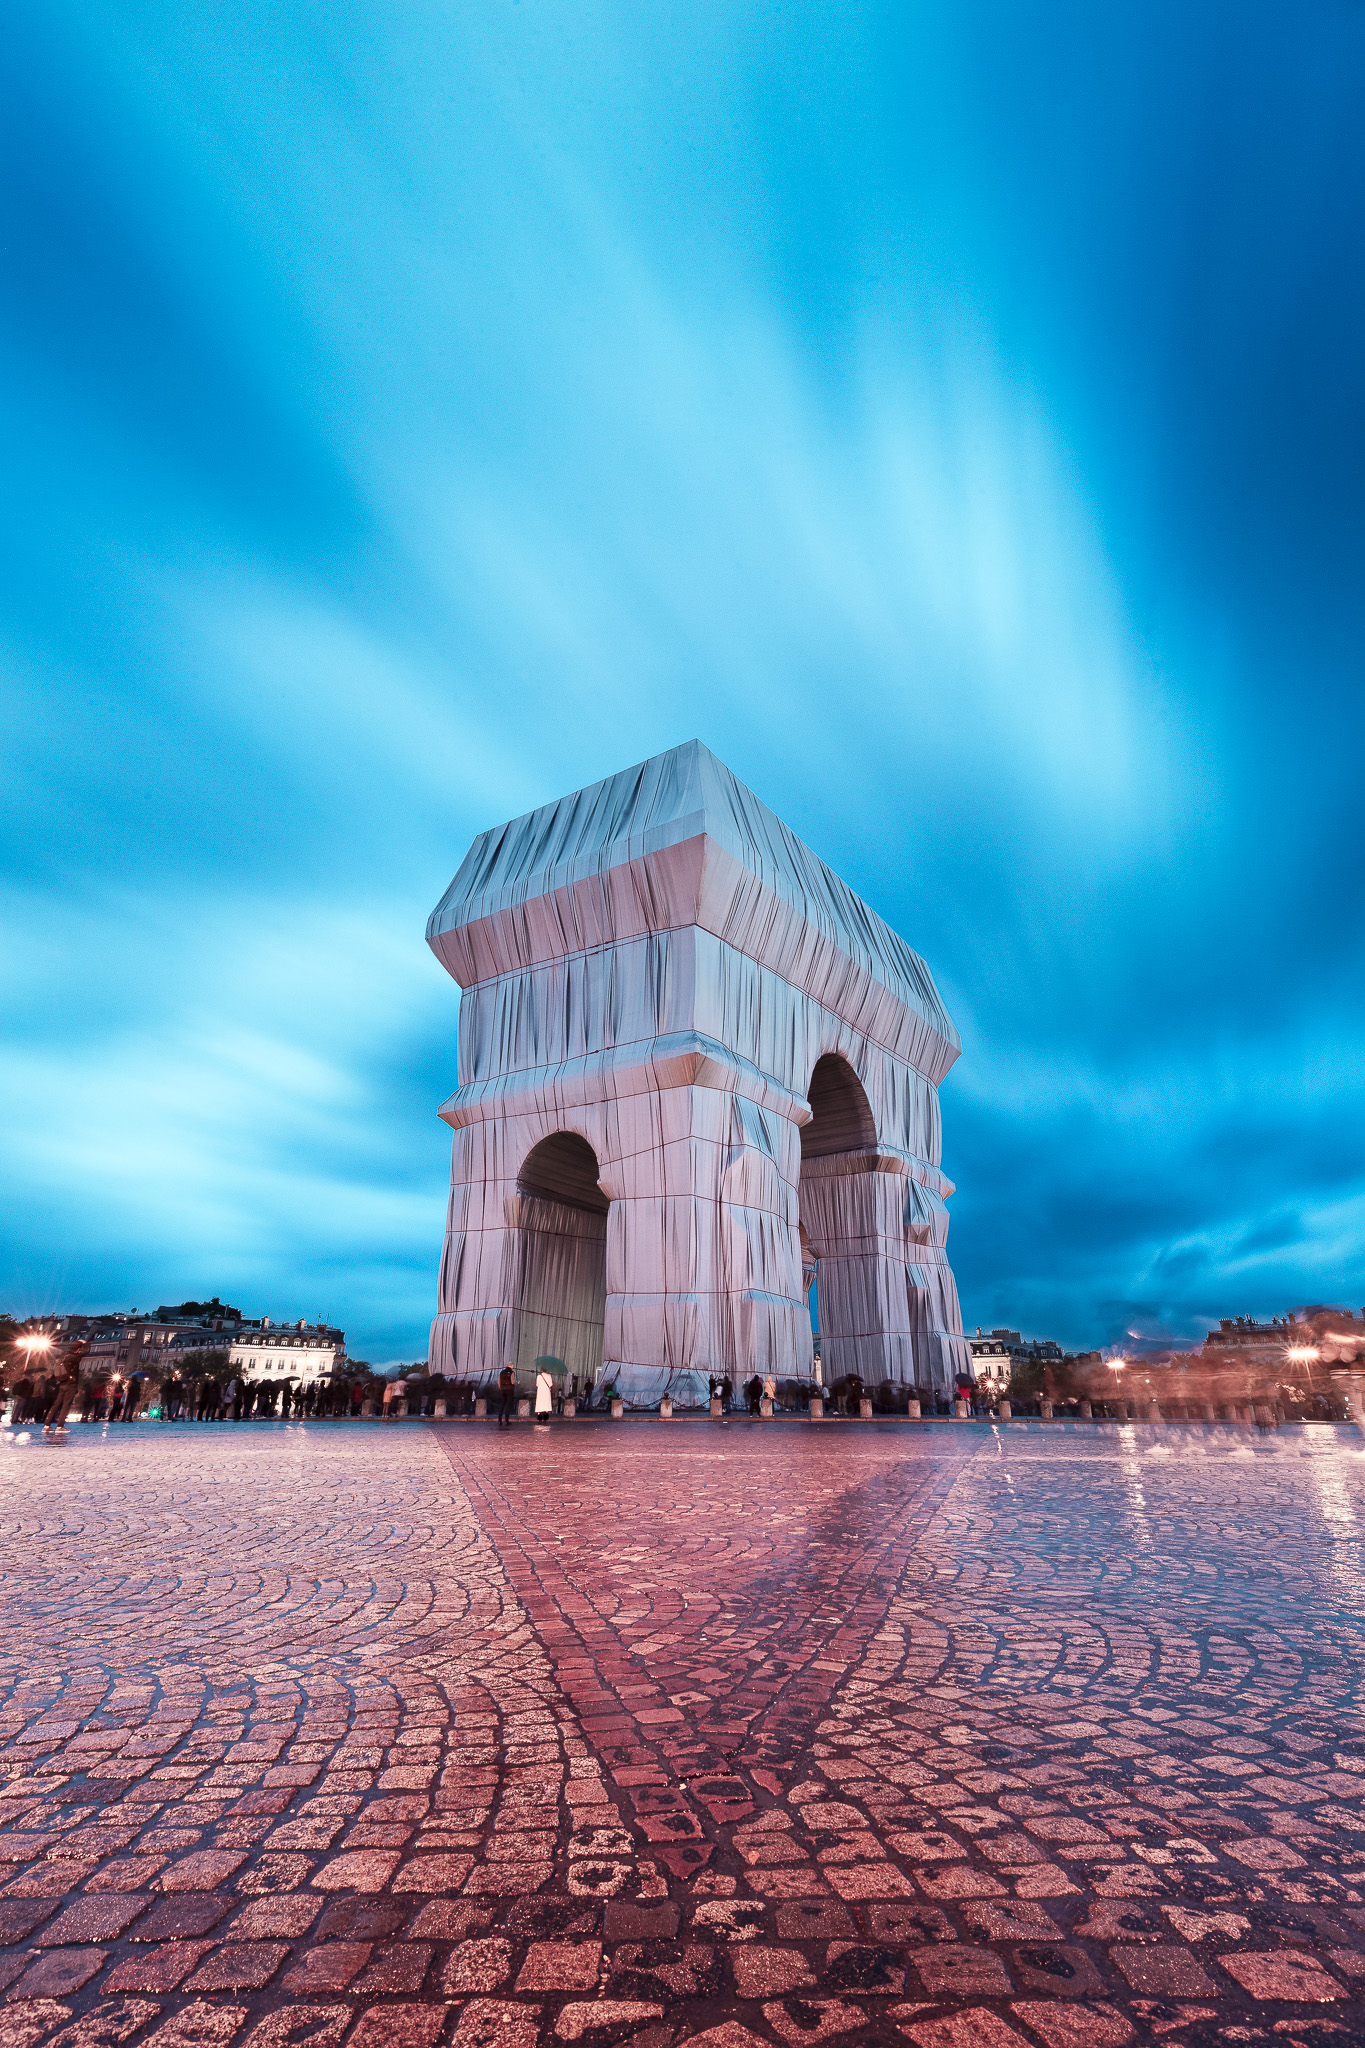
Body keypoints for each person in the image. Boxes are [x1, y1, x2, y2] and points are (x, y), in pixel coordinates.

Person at [497, 1364, 517, 1429]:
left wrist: (501, 1387)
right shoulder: (512, 1372)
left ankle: (499, 1420)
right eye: (513, 1366)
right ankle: (506, 1420)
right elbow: (512, 1382)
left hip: (503, 1390)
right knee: (508, 1405)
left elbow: (499, 1382)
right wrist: (517, 1382)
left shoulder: (501, 1372)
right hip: (510, 1390)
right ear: (511, 1366)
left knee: (502, 1404)